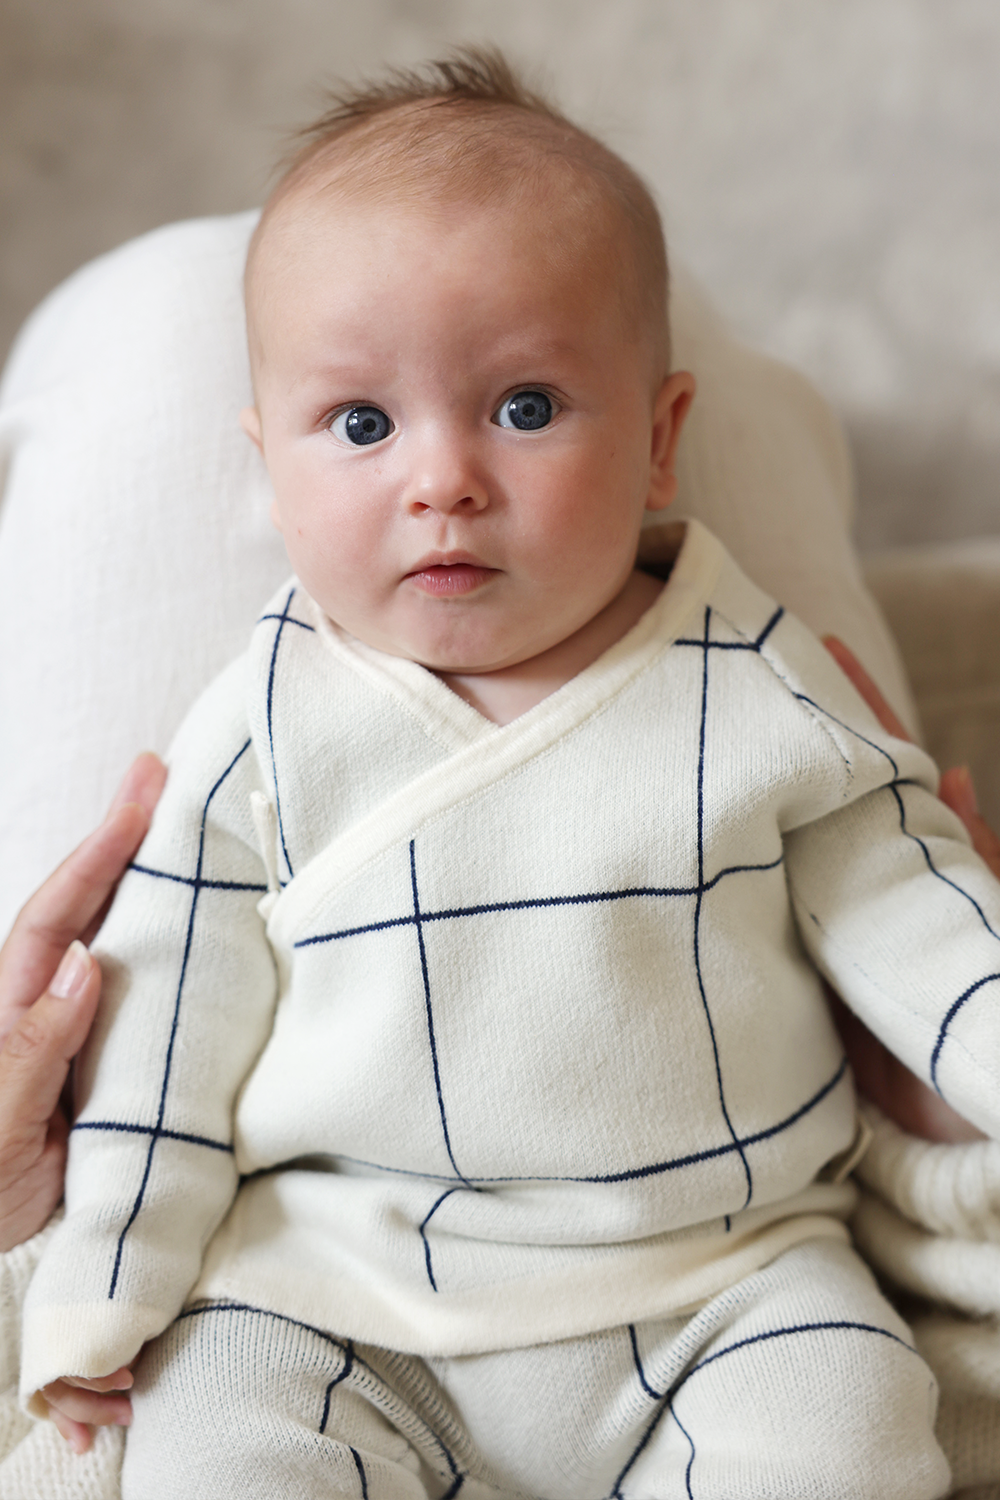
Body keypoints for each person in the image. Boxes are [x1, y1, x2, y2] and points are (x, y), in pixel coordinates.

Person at [15, 50, 1000, 1499]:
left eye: (526, 407)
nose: (445, 481)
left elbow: (926, 926)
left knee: (846, 1422)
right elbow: (168, 1028)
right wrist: (104, 1283)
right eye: (362, 425)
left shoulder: (755, 678)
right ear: (268, 471)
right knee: (214, 1438)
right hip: (332, 1287)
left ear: (660, 441)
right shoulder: (262, 723)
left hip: (719, 1279)